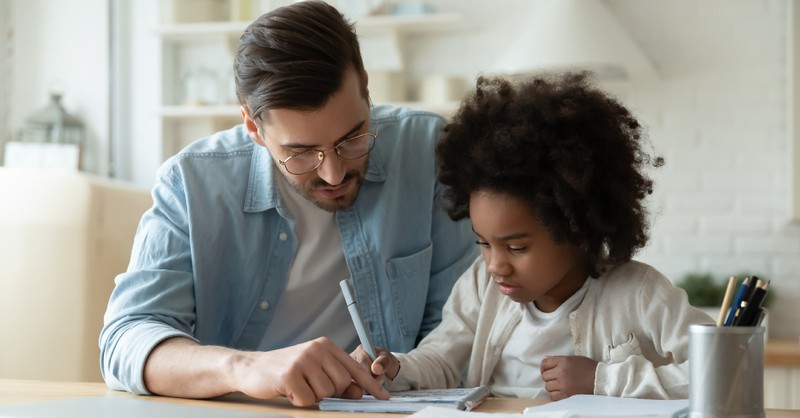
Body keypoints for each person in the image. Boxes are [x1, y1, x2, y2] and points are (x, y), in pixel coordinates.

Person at [99, 1, 477, 407]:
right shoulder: (191, 183)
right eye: (301, 152)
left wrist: (403, 369)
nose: (334, 173)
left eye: (352, 138)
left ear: (366, 88)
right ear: (253, 127)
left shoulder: (428, 153)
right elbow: (126, 338)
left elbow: (464, 328)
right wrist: (248, 368)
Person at [354, 73, 713, 400]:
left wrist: (605, 381)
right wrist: (398, 367)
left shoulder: (639, 294)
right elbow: (441, 360)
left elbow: (717, 370)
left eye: (516, 247)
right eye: (483, 243)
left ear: (579, 229)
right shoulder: (481, 287)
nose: (495, 265)